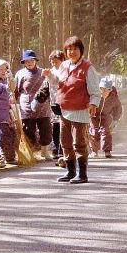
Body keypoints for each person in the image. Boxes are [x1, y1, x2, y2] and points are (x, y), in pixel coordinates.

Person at [42, 36, 101, 184]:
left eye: (75, 49)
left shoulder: (88, 67)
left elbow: (95, 91)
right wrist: (49, 75)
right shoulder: (63, 66)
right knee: (65, 142)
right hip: (64, 110)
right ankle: (70, 171)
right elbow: (57, 82)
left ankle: (82, 174)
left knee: (79, 143)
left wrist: (93, 104)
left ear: (81, 50)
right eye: (68, 49)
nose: (71, 52)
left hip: (80, 111)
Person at [14, 49, 53, 161]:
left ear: (35, 60)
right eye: (26, 61)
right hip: (26, 106)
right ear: (24, 63)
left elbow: (50, 85)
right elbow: (16, 91)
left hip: (42, 105)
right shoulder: (20, 74)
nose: (29, 63)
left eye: (31, 60)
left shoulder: (43, 72)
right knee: (28, 130)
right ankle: (30, 153)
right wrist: (12, 99)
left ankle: (45, 152)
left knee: (46, 129)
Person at [0, 59, 17, 165]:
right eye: (1, 69)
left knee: (12, 134)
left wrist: (11, 96)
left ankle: (8, 156)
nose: (3, 70)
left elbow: (11, 89)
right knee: (4, 134)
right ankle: (7, 157)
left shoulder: (6, 79)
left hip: (6, 111)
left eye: (5, 68)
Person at [89, 77, 122, 158]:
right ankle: (94, 151)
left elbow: (118, 108)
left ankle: (107, 151)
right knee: (94, 133)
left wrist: (115, 120)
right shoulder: (95, 95)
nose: (102, 92)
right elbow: (88, 105)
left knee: (106, 133)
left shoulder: (113, 98)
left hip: (106, 118)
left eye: (105, 90)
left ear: (110, 90)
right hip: (94, 117)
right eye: (101, 89)